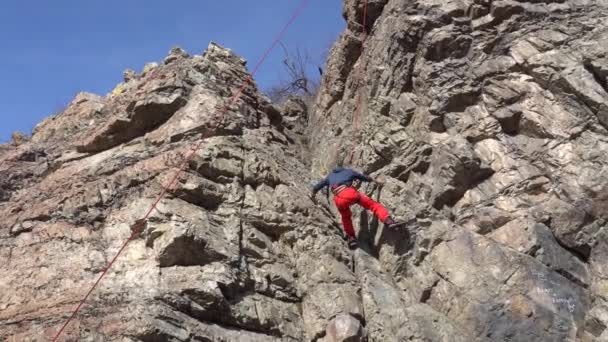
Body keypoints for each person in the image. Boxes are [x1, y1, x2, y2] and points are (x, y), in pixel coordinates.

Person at [311, 166, 400, 249]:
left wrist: (313, 195)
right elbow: (363, 177)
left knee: (346, 218)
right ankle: (388, 220)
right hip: (350, 193)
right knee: (373, 205)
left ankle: (351, 238)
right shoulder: (348, 172)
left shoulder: (330, 177)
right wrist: (376, 181)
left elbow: (318, 186)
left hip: (339, 199)